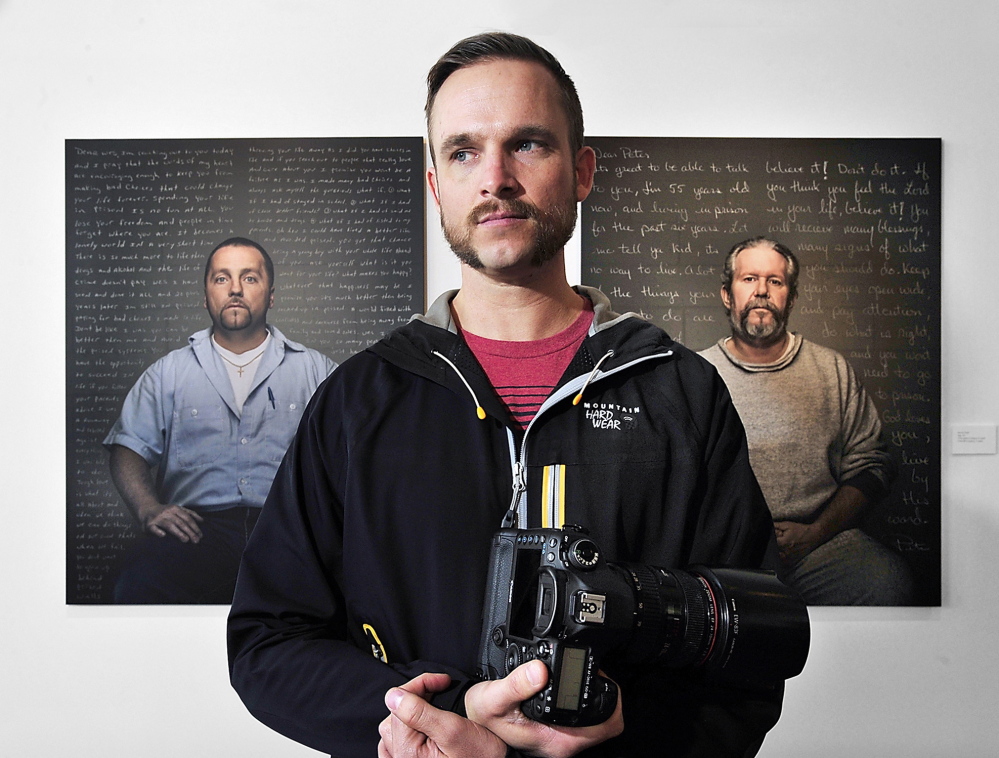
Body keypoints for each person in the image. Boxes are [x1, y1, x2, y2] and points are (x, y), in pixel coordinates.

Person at [228, 34, 783, 757]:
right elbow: (267, 643)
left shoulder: (681, 391)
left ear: (581, 170)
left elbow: (750, 645)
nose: (495, 177)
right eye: (462, 151)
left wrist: (627, 731)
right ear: (436, 187)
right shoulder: (358, 400)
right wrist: (432, 720)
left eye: (527, 144)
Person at [104, 237, 336, 604]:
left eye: (250, 278)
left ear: (271, 295)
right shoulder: (168, 373)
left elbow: (352, 454)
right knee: (135, 581)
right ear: (206, 295)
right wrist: (149, 508)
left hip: (288, 535)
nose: (236, 290)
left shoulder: (316, 371)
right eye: (222, 278)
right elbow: (128, 449)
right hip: (195, 534)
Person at [699, 236, 912, 605]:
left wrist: (815, 533)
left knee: (889, 583)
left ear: (791, 298)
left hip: (821, 546)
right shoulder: (697, 375)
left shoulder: (832, 370)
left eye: (775, 281)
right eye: (749, 279)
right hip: (727, 554)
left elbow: (872, 464)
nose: (762, 291)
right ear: (726, 295)